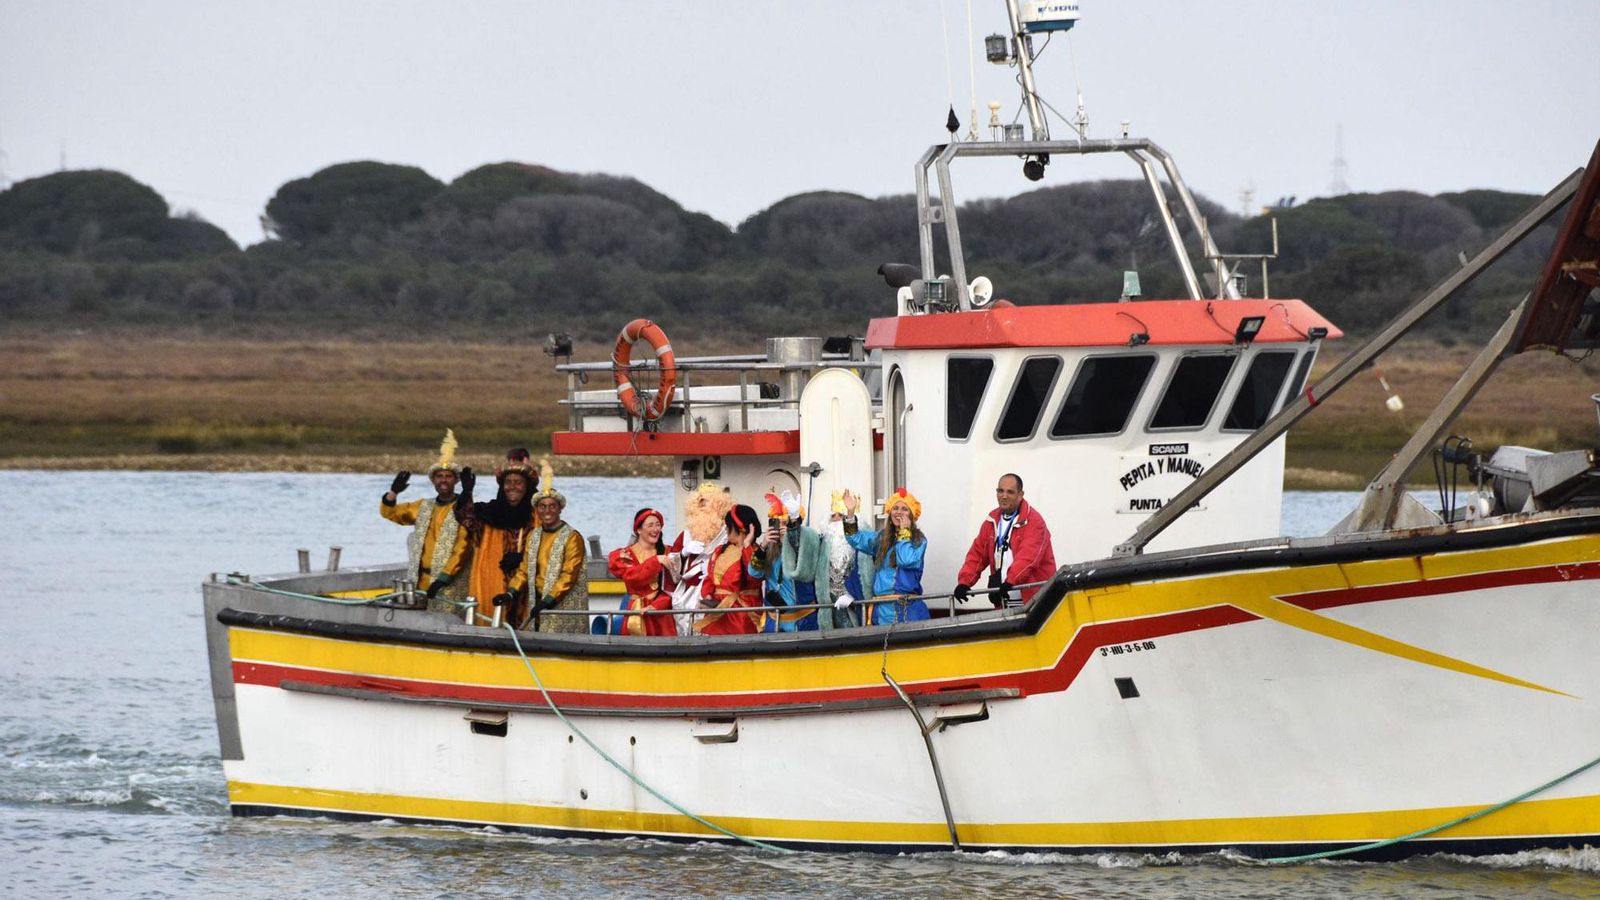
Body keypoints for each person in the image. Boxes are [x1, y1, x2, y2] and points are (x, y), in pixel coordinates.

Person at [378, 429, 469, 613]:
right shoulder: (423, 506)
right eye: (439, 476)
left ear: (456, 480)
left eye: (448, 476)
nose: (444, 480)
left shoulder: (464, 509)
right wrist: (393, 493)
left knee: (446, 621)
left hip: (450, 584)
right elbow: (391, 513)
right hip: (420, 582)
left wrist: (443, 578)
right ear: (433, 480)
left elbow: (463, 548)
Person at [451, 452, 535, 627]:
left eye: (518, 482)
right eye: (508, 482)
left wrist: (523, 558)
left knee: (525, 626)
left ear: (527, 487)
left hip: (527, 587)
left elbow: (549, 547)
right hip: (492, 582)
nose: (512, 487)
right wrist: (466, 492)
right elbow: (465, 517)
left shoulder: (537, 516)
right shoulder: (489, 513)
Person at [954, 473, 1057, 608]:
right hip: (1004, 599)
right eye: (1000, 491)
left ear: (1020, 495)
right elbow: (977, 555)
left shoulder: (1033, 521)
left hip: (1035, 602)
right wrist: (964, 582)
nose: (1004, 496)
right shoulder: (992, 520)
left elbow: (1028, 558)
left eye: (1010, 492)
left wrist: (1010, 581)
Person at [842, 488, 930, 625]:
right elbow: (855, 538)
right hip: (881, 611)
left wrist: (904, 533)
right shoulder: (881, 539)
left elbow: (906, 560)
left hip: (908, 609)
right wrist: (850, 512)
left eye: (904, 509)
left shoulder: (919, 540)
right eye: (895, 508)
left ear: (912, 515)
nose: (899, 512)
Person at [520, 458, 588, 633]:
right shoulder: (534, 535)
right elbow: (524, 569)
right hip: (538, 601)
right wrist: (510, 592)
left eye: (552, 506)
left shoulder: (572, 537)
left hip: (561, 605)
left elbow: (569, 575)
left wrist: (549, 600)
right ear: (537, 509)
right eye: (542, 506)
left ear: (560, 509)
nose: (547, 511)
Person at [663, 483, 732, 636]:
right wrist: (683, 553)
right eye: (699, 502)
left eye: (706, 502)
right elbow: (670, 565)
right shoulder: (686, 534)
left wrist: (713, 568)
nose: (702, 506)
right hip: (689, 590)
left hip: (715, 589)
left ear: (718, 505)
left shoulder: (726, 533)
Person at [607, 508, 676, 636]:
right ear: (638, 530)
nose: (655, 529)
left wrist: (657, 605)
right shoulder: (624, 555)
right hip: (636, 613)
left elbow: (674, 587)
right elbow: (633, 578)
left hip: (662, 614)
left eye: (658, 525)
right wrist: (656, 561)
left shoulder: (669, 552)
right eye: (650, 525)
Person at [698, 504, 762, 636]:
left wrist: (746, 546)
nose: (726, 529)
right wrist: (708, 595)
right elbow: (710, 577)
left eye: (729, 526)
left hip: (742, 615)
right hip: (718, 612)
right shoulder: (720, 550)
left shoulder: (757, 552)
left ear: (740, 528)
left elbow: (754, 578)